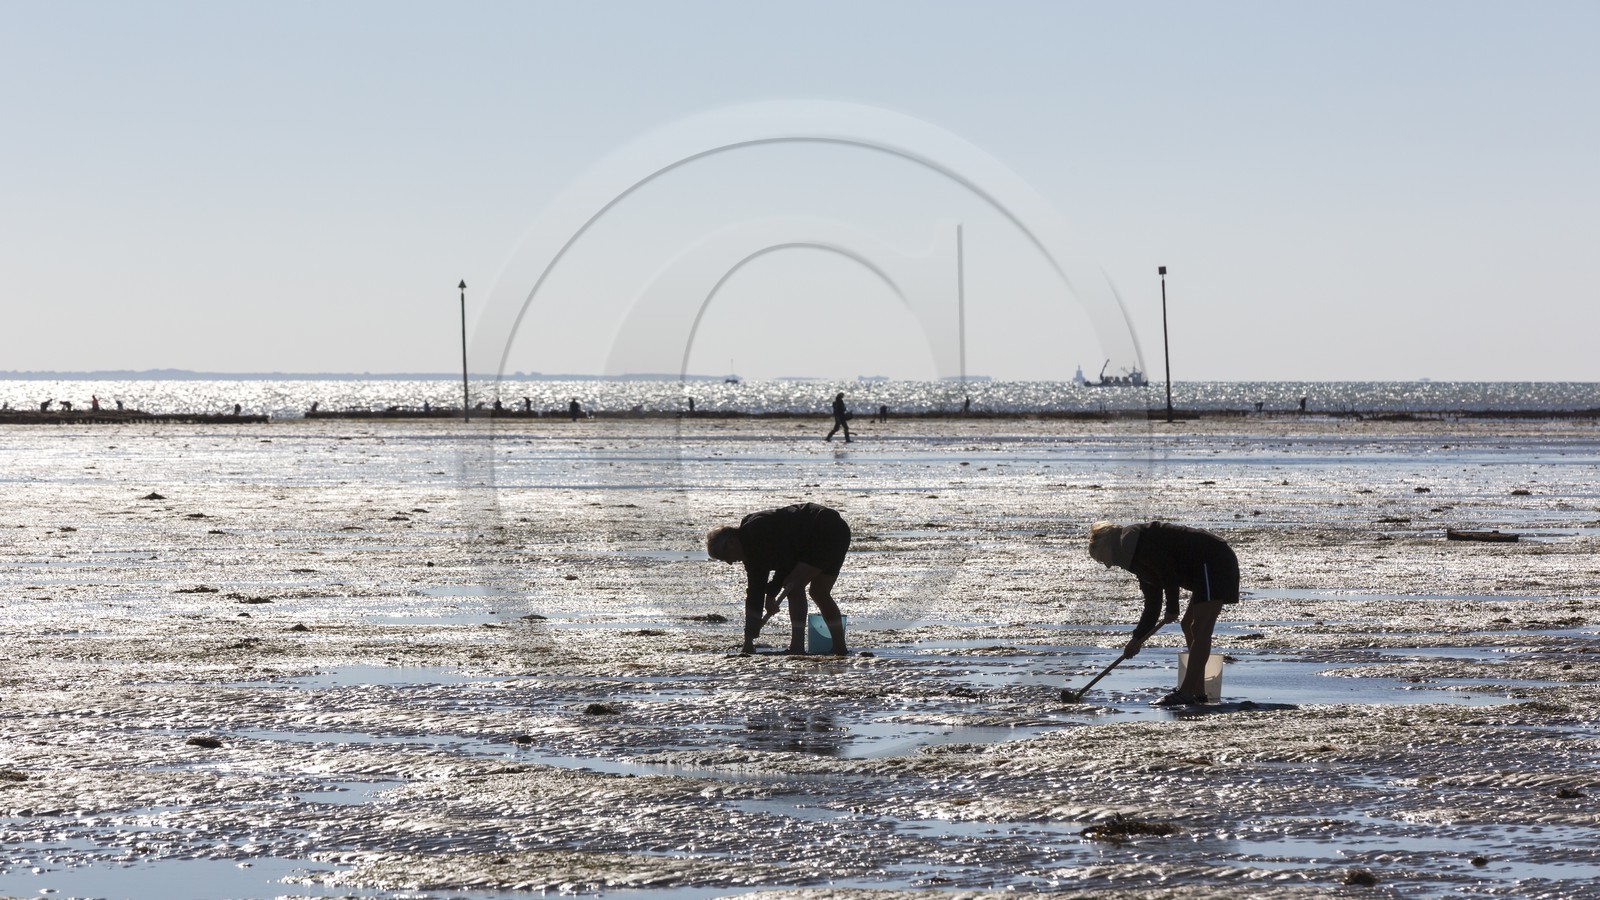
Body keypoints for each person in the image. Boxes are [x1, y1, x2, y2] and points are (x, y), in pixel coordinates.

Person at [1088, 520, 1240, 706]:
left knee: (1201, 628)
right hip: (1200, 570)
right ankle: (1198, 693)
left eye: (1102, 559)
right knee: (1188, 625)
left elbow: (1167, 570)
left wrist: (1172, 608)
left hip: (1213, 560)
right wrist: (1137, 639)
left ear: (1106, 544)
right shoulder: (1130, 555)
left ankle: (1186, 692)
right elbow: (1153, 602)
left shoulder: (1132, 542)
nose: (1108, 566)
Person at [706, 502, 851, 656]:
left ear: (732, 542)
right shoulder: (750, 555)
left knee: (793, 585)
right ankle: (840, 649)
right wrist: (749, 640)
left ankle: (797, 647)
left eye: (724, 556)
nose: (729, 562)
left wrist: (771, 595)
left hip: (825, 530)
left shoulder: (758, 529)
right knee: (819, 592)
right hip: (831, 533)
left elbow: (787, 560)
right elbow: (755, 593)